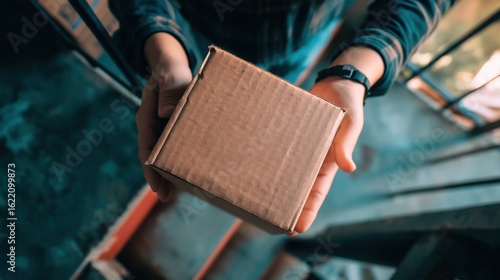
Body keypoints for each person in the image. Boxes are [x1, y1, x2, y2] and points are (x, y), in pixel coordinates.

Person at [109, 0, 455, 235]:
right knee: (176, 110)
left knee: (266, 113)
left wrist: (355, 72)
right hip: (193, 22)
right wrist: (162, 44)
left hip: (302, 34)